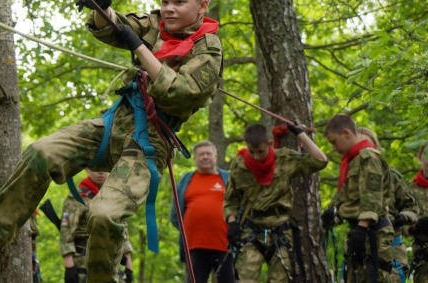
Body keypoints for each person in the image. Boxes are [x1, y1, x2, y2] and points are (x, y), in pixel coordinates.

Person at [0, 0, 223, 282]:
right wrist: (102, 8)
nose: (169, 8)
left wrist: (139, 48)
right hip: (114, 123)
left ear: (201, 6)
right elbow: (120, 27)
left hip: (149, 142)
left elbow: (179, 93)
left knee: (104, 215)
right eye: (165, 0)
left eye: (179, 2)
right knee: (41, 152)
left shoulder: (208, 49)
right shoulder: (157, 24)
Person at [224, 123, 328, 282]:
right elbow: (231, 200)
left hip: (280, 230)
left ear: (270, 144)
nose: (256, 156)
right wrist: (232, 223)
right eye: (252, 152)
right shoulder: (240, 166)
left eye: (261, 151)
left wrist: (299, 134)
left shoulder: (285, 160)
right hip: (251, 229)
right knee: (245, 278)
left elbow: (320, 161)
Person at [323, 114, 399, 282]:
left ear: (346, 133)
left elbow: (372, 195)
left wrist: (362, 226)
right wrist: (333, 215)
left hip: (373, 232)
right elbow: (349, 199)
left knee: (376, 277)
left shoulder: (368, 157)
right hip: (359, 230)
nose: (334, 148)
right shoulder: (353, 161)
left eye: (334, 141)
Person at [357, 127, 417, 282]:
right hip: (360, 248)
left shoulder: (392, 177)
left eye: (367, 144)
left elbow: (412, 208)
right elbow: (338, 208)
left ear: (375, 147)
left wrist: (402, 218)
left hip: (390, 247)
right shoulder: (351, 179)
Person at [170, 140, 233, 283]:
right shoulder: (186, 180)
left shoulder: (228, 179)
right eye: (201, 154)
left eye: (208, 153)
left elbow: (239, 207)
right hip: (194, 247)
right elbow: (175, 215)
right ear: (195, 158)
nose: (205, 157)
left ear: (215, 156)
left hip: (225, 246)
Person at [60, 169, 133, 283]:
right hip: (84, 264)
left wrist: (129, 267)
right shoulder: (77, 197)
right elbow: (66, 233)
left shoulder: (115, 197)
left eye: (105, 168)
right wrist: (69, 267)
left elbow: (123, 233)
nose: (101, 172)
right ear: (87, 169)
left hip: (112, 262)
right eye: (97, 168)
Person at [407, 144, 428, 283]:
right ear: (420, 157)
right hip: (424, 262)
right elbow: (397, 223)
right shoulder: (409, 190)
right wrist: (416, 226)